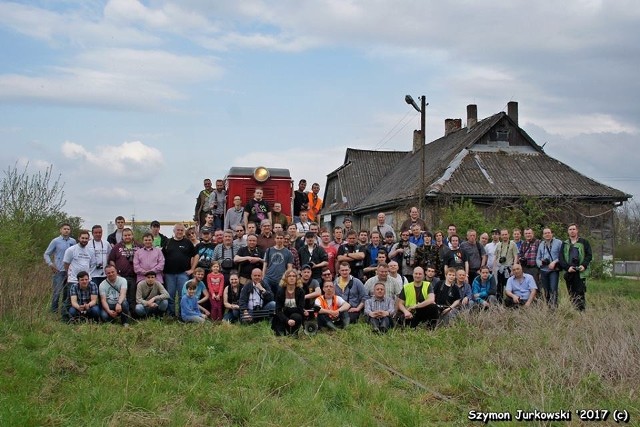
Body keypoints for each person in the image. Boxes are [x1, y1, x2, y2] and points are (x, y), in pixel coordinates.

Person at [163, 223, 198, 317]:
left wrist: (192, 269)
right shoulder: (168, 242)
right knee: (170, 296)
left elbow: (196, 255)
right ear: (174, 231)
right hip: (169, 274)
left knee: (183, 296)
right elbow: (162, 256)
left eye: (181, 230)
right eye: (178, 230)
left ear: (183, 232)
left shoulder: (187, 242)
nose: (179, 232)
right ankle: (171, 314)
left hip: (183, 274)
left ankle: (183, 315)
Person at [559, 224, 592, 311]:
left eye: (574, 229)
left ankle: (581, 312)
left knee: (580, 292)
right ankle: (574, 311)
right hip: (569, 272)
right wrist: (567, 268)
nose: (572, 231)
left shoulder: (584, 242)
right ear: (568, 231)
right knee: (571, 293)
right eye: (570, 229)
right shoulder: (565, 243)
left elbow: (589, 255)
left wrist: (583, 265)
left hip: (580, 272)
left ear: (577, 230)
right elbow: (561, 258)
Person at [44, 223, 76, 314]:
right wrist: (50, 264)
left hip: (69, 272)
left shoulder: (73, 241)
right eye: (64, 229)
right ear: (60, 230)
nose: (66, 230)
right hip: (59, 271)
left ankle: (64, 311)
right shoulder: (55, 241)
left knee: (67, 293)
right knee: (57, 292)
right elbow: (46, 254)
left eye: (68, 229)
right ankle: (54, 312)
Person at [108, 228, 141, 315]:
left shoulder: (138, 246)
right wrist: (115, 272)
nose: (127, 237)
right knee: (123, 297)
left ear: (132, 235)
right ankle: (123, 314)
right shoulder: (117, 247)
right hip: (121, 276)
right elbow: (111, 260)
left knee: (132, 297)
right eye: (125, 235)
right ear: (122, 236)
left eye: (129, 235)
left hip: (135, 276)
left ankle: (133, 314)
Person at [62, 230, 93, 320]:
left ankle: (83, 318)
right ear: (78, 238)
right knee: (68, 300)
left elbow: (90, 264)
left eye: (86, 238)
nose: (84, 240)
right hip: (73, 280)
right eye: (82, 238)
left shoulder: (90, 251)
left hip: (87, 280)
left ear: (89, 239)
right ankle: (65, 319)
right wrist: (69, 275)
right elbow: (66, 263)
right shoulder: (71, 250)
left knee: (85, 300)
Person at [272, 269, 306, 336]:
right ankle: (285, 330)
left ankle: (294, 332)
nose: (291, 278)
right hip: (283, 316)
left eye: (294, 276)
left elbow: (300, 308)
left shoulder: (301, 291)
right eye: (289, 276)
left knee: (296, 316)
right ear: (285, 278)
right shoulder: (280, 291)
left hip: (295, 315)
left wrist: (286, 309)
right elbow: (278, 310)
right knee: (280, 335)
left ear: (296, 278)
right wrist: (287, 320)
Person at [536, 227, 563, 307]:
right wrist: (540, 264)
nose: (547, 234)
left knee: (553, 289)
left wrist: (554, 262)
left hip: (553, 270)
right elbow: (538, 258)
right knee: (546, 290)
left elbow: (562, 256)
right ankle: (548, 307)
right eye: (545, 233)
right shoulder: (541, 244)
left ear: (552, 233)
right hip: (544, 270)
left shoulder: (558, 243)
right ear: (543, 235)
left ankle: (554, 307)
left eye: (548, 233)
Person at [493, 229, 519, 302]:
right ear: (500, 236)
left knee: (509, 286)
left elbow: (516, 256)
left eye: (506, 234)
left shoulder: (513, 244)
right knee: (499, 286)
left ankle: (510, 301)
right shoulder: (499, 244)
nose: (504, 236)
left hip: (509, 268)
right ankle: (499, 302)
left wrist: (514, 268)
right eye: (503, 235)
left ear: (508, 235)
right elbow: (496, 257)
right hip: (500, 268)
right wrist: (494, 268)